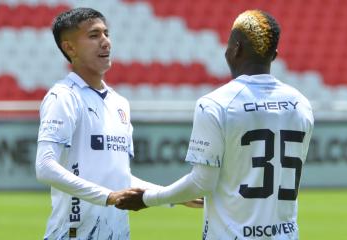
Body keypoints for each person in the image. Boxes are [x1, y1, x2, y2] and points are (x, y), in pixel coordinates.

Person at [116, 9, 314, 240]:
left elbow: (202, 182)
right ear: (275, 55)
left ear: (236, 48)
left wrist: (147, 198)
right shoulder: (301, 104)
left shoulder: (216, 104)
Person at [35, 8, 194, 240]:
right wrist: (108, 196)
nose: (105, 42)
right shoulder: (63, 97)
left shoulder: (120, 103)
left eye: (106, 33)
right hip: (73, 235)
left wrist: (170, 195)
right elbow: (45, 166)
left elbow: (120, 178)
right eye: (94, 35)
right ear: (70, 48)